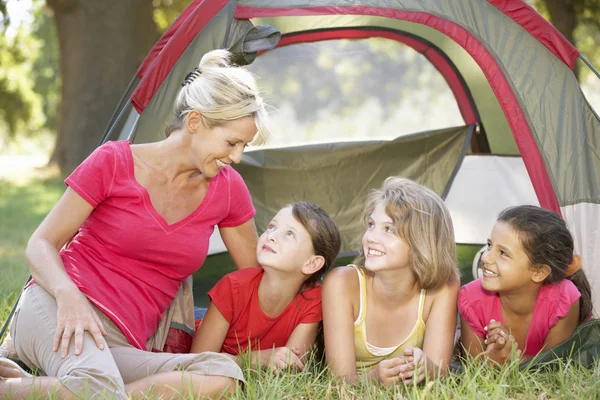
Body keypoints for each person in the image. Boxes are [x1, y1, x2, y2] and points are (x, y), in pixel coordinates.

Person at [0, 49, 272, 399]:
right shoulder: (113, 162)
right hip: (58, 306)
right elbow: (40, 244)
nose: (236, 156)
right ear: (194, 122)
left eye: (244, 146)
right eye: (232, 142)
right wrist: (67, 295)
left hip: (119, 342)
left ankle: (72, 390)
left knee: (223, 375)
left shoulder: (228, 188)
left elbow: (255, 277)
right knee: (96, 384)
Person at [322, 177, 460, 386]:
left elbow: (439, 371)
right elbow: (338, 382)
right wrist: (373, 379)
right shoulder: (341, 284)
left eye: (389, 229)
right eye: (371, 224)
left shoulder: (443, 287)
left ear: (421, 242)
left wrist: (425, 367)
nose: (371, 237)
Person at [191, 202, 341, 371]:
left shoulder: (313, 300)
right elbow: (198, 362)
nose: (271, 236)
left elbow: (293, 366)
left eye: (290, 234)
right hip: (195, 328)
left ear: (312, 263)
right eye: (272, 227)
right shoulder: (233, 287)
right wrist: (255, 359)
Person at [458, 205, 592, 365]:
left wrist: (509, 361)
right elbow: (472, 364)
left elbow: (554, 364)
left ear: (538, 272)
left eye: (503, 253)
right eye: (489, 245)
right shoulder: (471, 299)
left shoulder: (563, 299)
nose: (486, 258)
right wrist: (491, 358)